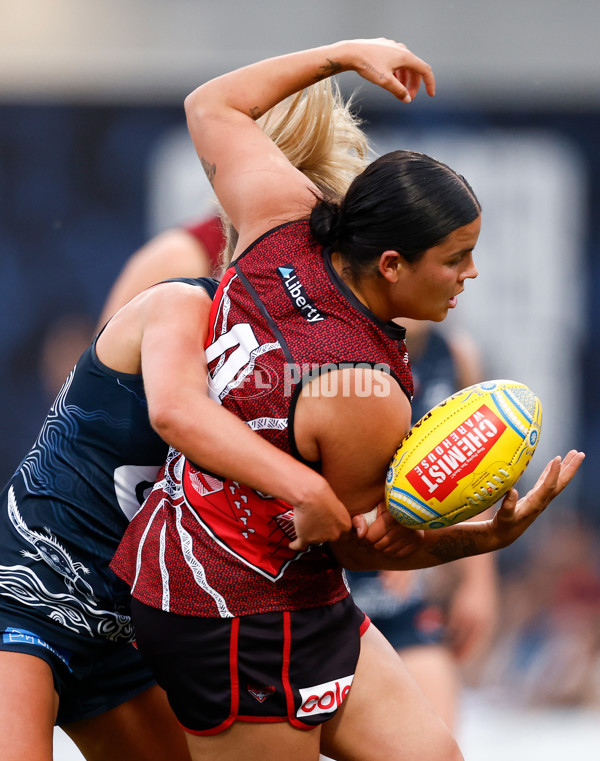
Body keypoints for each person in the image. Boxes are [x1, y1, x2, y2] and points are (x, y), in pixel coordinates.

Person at [111, 38, 584, 761]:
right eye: (455, 257)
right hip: (233, 607)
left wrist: (345, 54)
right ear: (391, 264)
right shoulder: (366, 396)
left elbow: (208, 104)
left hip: (262, 575)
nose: (472, 273)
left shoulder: (281, 215)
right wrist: (489, 537)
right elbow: (361, 542)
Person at [0, 85, 376, 761]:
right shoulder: (180, 279)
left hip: (130, 625)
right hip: (25, 594)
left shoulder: (316, 336)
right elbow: (158, 408)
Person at [347, 318, 498, 730]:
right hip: (333, 593)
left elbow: (474, 479)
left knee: (441, 737)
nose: (464, 274)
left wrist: (478, 583)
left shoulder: (457, 354)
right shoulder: (339, 354)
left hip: (401, 599)